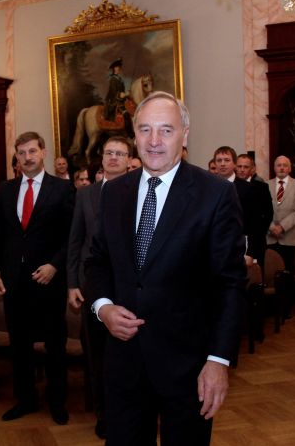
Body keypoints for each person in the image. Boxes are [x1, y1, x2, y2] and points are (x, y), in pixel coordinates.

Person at [83, 91, 247, 445]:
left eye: (166, 130)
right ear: (134, 135)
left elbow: (229, 284)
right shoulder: (113, 192)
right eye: (145, 129)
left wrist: (218, 360)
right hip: (124, 365)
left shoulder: (215, 194)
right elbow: (97, 261)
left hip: (189, 368)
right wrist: (103, 307)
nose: (154, 141)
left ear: (184, 134)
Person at [0, 132, 74, 425]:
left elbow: (71, 237)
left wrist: (54, 266)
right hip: (14, 282)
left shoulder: (62, 189)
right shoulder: (5, 190)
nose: (27, 157)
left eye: (32, 151)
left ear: (43, 153)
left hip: (48, 281)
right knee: (19, 345)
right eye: (22, 153)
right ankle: (25, 399)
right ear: (16, 156)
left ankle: (57, 402)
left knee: (54, 346)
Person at [67, 135, 131, 439]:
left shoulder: (139, 192)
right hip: (91, 287)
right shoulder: (85, 195)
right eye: (109, 153)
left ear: (129, 160)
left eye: (120, 153)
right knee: (98, 356)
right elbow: (75, 241)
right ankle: (103, 414)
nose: (114, 157)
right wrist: (72, 283)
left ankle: (128, 412)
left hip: (128, 289)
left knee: (128, 357)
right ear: (102, 159)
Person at [214, 146, 273, 268]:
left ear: (234, 164)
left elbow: (255, 223)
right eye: (219, 160)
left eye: (227, 160)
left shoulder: (248, 189)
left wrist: (250, 252)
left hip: (241, 248)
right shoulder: (208, 187)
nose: (222, 164)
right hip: (216, 248)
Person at [267, 155, 295, 274]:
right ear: (274, 168)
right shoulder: (266, 185)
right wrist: (271, 227)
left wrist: (282, 227)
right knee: (270, 271)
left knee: (288, 271)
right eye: (279, 165)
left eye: (285, 165)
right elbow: (261, 210)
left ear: (290, 169)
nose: (282, 168)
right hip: (270, 236)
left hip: (290, 236)